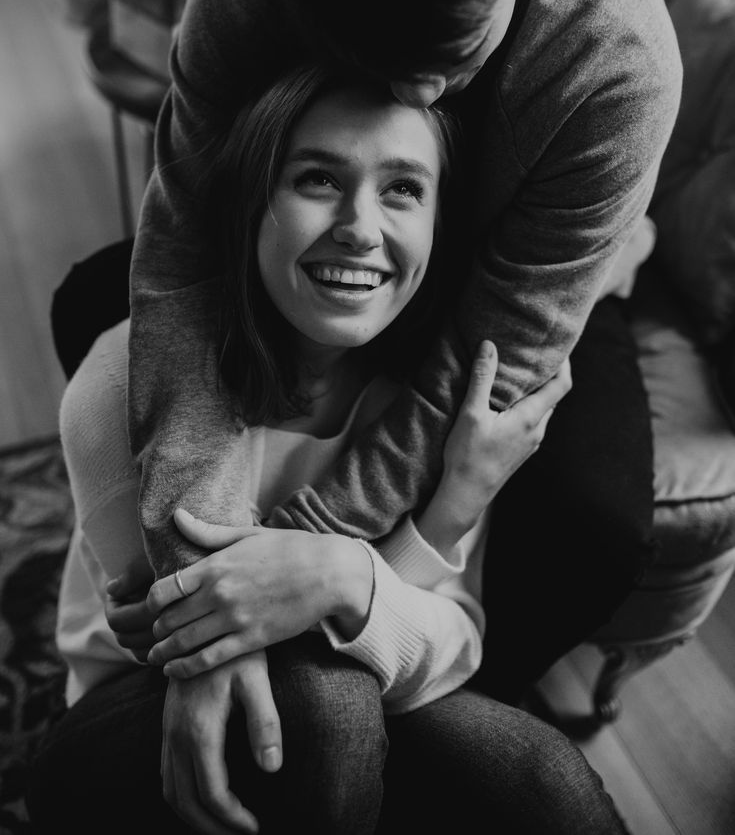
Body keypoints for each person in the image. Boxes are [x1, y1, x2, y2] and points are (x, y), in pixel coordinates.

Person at [125, 0, 681, 705]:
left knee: (593, 524)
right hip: (313, 260)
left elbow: (503, 351)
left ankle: (466, 702)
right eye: (382, 59)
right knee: (95, 306)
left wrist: (299, 552)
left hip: (514, 302)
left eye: (454, 52)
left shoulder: (617, 54)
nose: (422, 87)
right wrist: (201, 585)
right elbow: (180, 266)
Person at [26, 69, 628, 834]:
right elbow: (207, 640)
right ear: (252, 200)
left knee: (544, 785)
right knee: (326, 701)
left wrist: (403, 539)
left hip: (357, 693)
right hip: (139, 712)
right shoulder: (122, 379)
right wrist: (378, 572)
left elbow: (451, 650)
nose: (361, 227)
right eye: (317, 178)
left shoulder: (439, 399)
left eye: (403, 189)